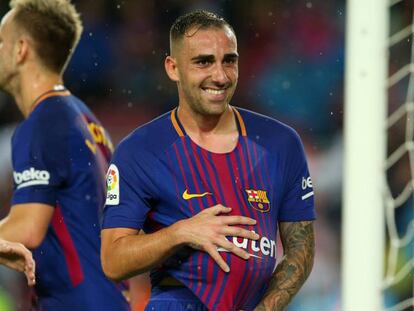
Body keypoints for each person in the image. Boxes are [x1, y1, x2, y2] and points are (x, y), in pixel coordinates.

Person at [101, 10, 315, 311]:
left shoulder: (280, 143)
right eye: (204, 61)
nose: (220, 75)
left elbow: (301, 249)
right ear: (173, 68)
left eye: (229, 60)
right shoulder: (139, 151)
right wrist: (180, 232)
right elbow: (112, 261)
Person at [0, 1, 129, 310]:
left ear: (21, 49)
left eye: (0, 41)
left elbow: (27, 228)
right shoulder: (85, 120)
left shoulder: (42, 123)